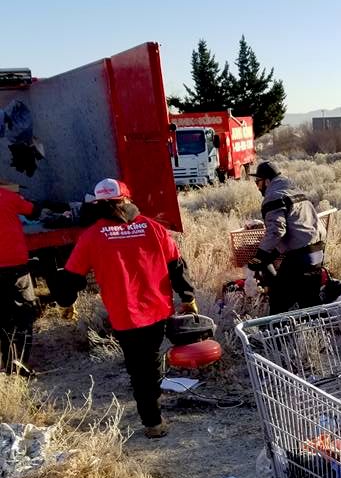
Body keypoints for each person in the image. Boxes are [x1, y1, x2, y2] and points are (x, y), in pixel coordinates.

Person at [57, 179, 197, 439]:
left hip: (125, 315)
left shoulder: (91, 236)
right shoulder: (154, 228)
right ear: (127, 199)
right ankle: (153, 413)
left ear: (99, 204)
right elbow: (177, 266)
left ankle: (152, 421)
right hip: (157, 310)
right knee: (152, 362)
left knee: (138, 367)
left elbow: (72, 276)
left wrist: (66, 303)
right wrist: (187, 297)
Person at [249, 161, 326, 314]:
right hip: (317, 250)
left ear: (267, 181)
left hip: (300, 254)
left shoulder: (273, 196)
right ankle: (321, 334)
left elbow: (276, 231)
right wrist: (275, 252)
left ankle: (275, 336)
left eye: (258, 182)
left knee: (278, 299)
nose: (258, 187)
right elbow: (296, 225)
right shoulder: (293, 190)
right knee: (309, 300)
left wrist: (260, 256)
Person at [0, 180, 39, 375]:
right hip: (15, 268)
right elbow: (33, 210)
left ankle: (7, 364)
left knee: (3, 319)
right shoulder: (7, 197)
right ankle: (18, 366)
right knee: (24, 316)